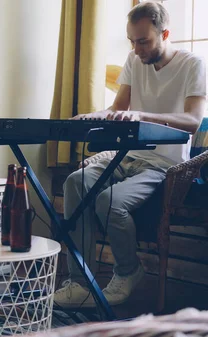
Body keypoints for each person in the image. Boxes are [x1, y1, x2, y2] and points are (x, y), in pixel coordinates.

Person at [54, 2, 206, 308]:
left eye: (144, 41)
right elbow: (117, 110)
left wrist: (144, 116)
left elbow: (193, 121)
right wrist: (90, 116)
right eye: (132, 41)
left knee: (108, 201)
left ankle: (128, 271)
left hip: (165, 164)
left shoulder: (193, 65)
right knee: (74, 182)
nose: (136, 49)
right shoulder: (134, 60)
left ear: (165, 33)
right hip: (126, 157)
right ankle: (80, 281)